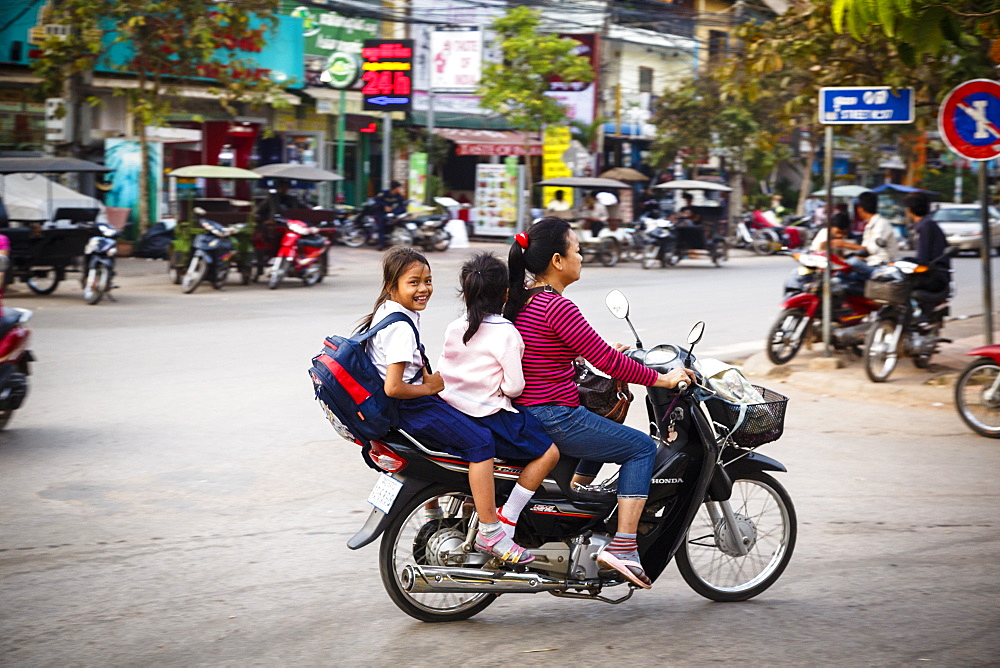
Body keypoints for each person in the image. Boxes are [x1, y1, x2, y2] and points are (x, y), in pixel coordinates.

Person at [504, 218, 695, 589]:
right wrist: (663, 378)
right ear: (558, 261)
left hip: (531, 410)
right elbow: (606, 362)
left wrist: (608, 352)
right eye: (577, 250)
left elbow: (556, 350)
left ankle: (578, 503)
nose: (581, 256)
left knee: (610, 430)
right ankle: (623, 545)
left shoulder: (526, 299)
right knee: (639, 447)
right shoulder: (557, 307)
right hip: (554, 415)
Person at [360, 247, 532, 565]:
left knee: (462, 426)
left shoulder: (388, 311)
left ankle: (437, 505)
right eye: (414, 282)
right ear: (392, 285)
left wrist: (430, 380)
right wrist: (430, 387)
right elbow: (394, 386)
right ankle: (492, 532)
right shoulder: (399, 326)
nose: (423, 288)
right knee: (481, 442)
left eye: (427, 280)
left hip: (400, 409)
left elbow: (412, 365)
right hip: (410, 409)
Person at [437, 252, 560, 563]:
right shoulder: (506, 332)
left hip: (451, 411)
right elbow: (514, 387)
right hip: (488, 414)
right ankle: (506, 522)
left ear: (465, 293)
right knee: (549, 452)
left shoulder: (455, 326)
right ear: (506, 294)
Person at [903, 191, 951, 323]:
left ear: (909, 210)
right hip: (931, 273)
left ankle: (921, 319)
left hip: (936, 276)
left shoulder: (926, 226)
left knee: (902, 286)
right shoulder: (925, 225)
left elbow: (923, 259)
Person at [849, 190, 897, 277]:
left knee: (852, 262)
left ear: (860, 209)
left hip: (882, 267)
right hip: (870, 264)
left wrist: (842, 244)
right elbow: (863, 253)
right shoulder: (869, 225)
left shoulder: (881, 224)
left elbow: (870, 250)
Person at [374, 180, 407, 250]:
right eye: (399, 188)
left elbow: (402, 206)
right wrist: (384, 206)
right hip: (381, 213)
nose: (400, 189)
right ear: (394, 188)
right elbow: (376, 201)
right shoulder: (384, 193)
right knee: (381, 227)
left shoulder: (399, 196)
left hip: (393, 214)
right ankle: (380, 244)